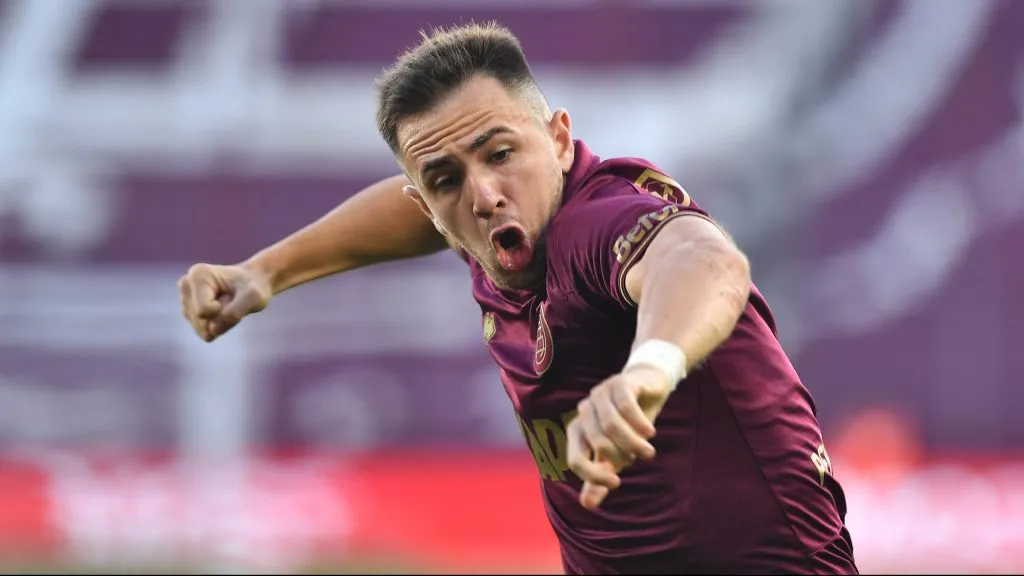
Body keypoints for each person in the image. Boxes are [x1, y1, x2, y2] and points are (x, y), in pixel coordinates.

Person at [177, 22, 857, 575]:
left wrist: (647, 373)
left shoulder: (596, 224)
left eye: (501, 153)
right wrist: (266, 272)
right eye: (446, 180)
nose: (483, 193)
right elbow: (418, 205)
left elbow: (703, 261)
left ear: (560, 140)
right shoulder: (485, 225)